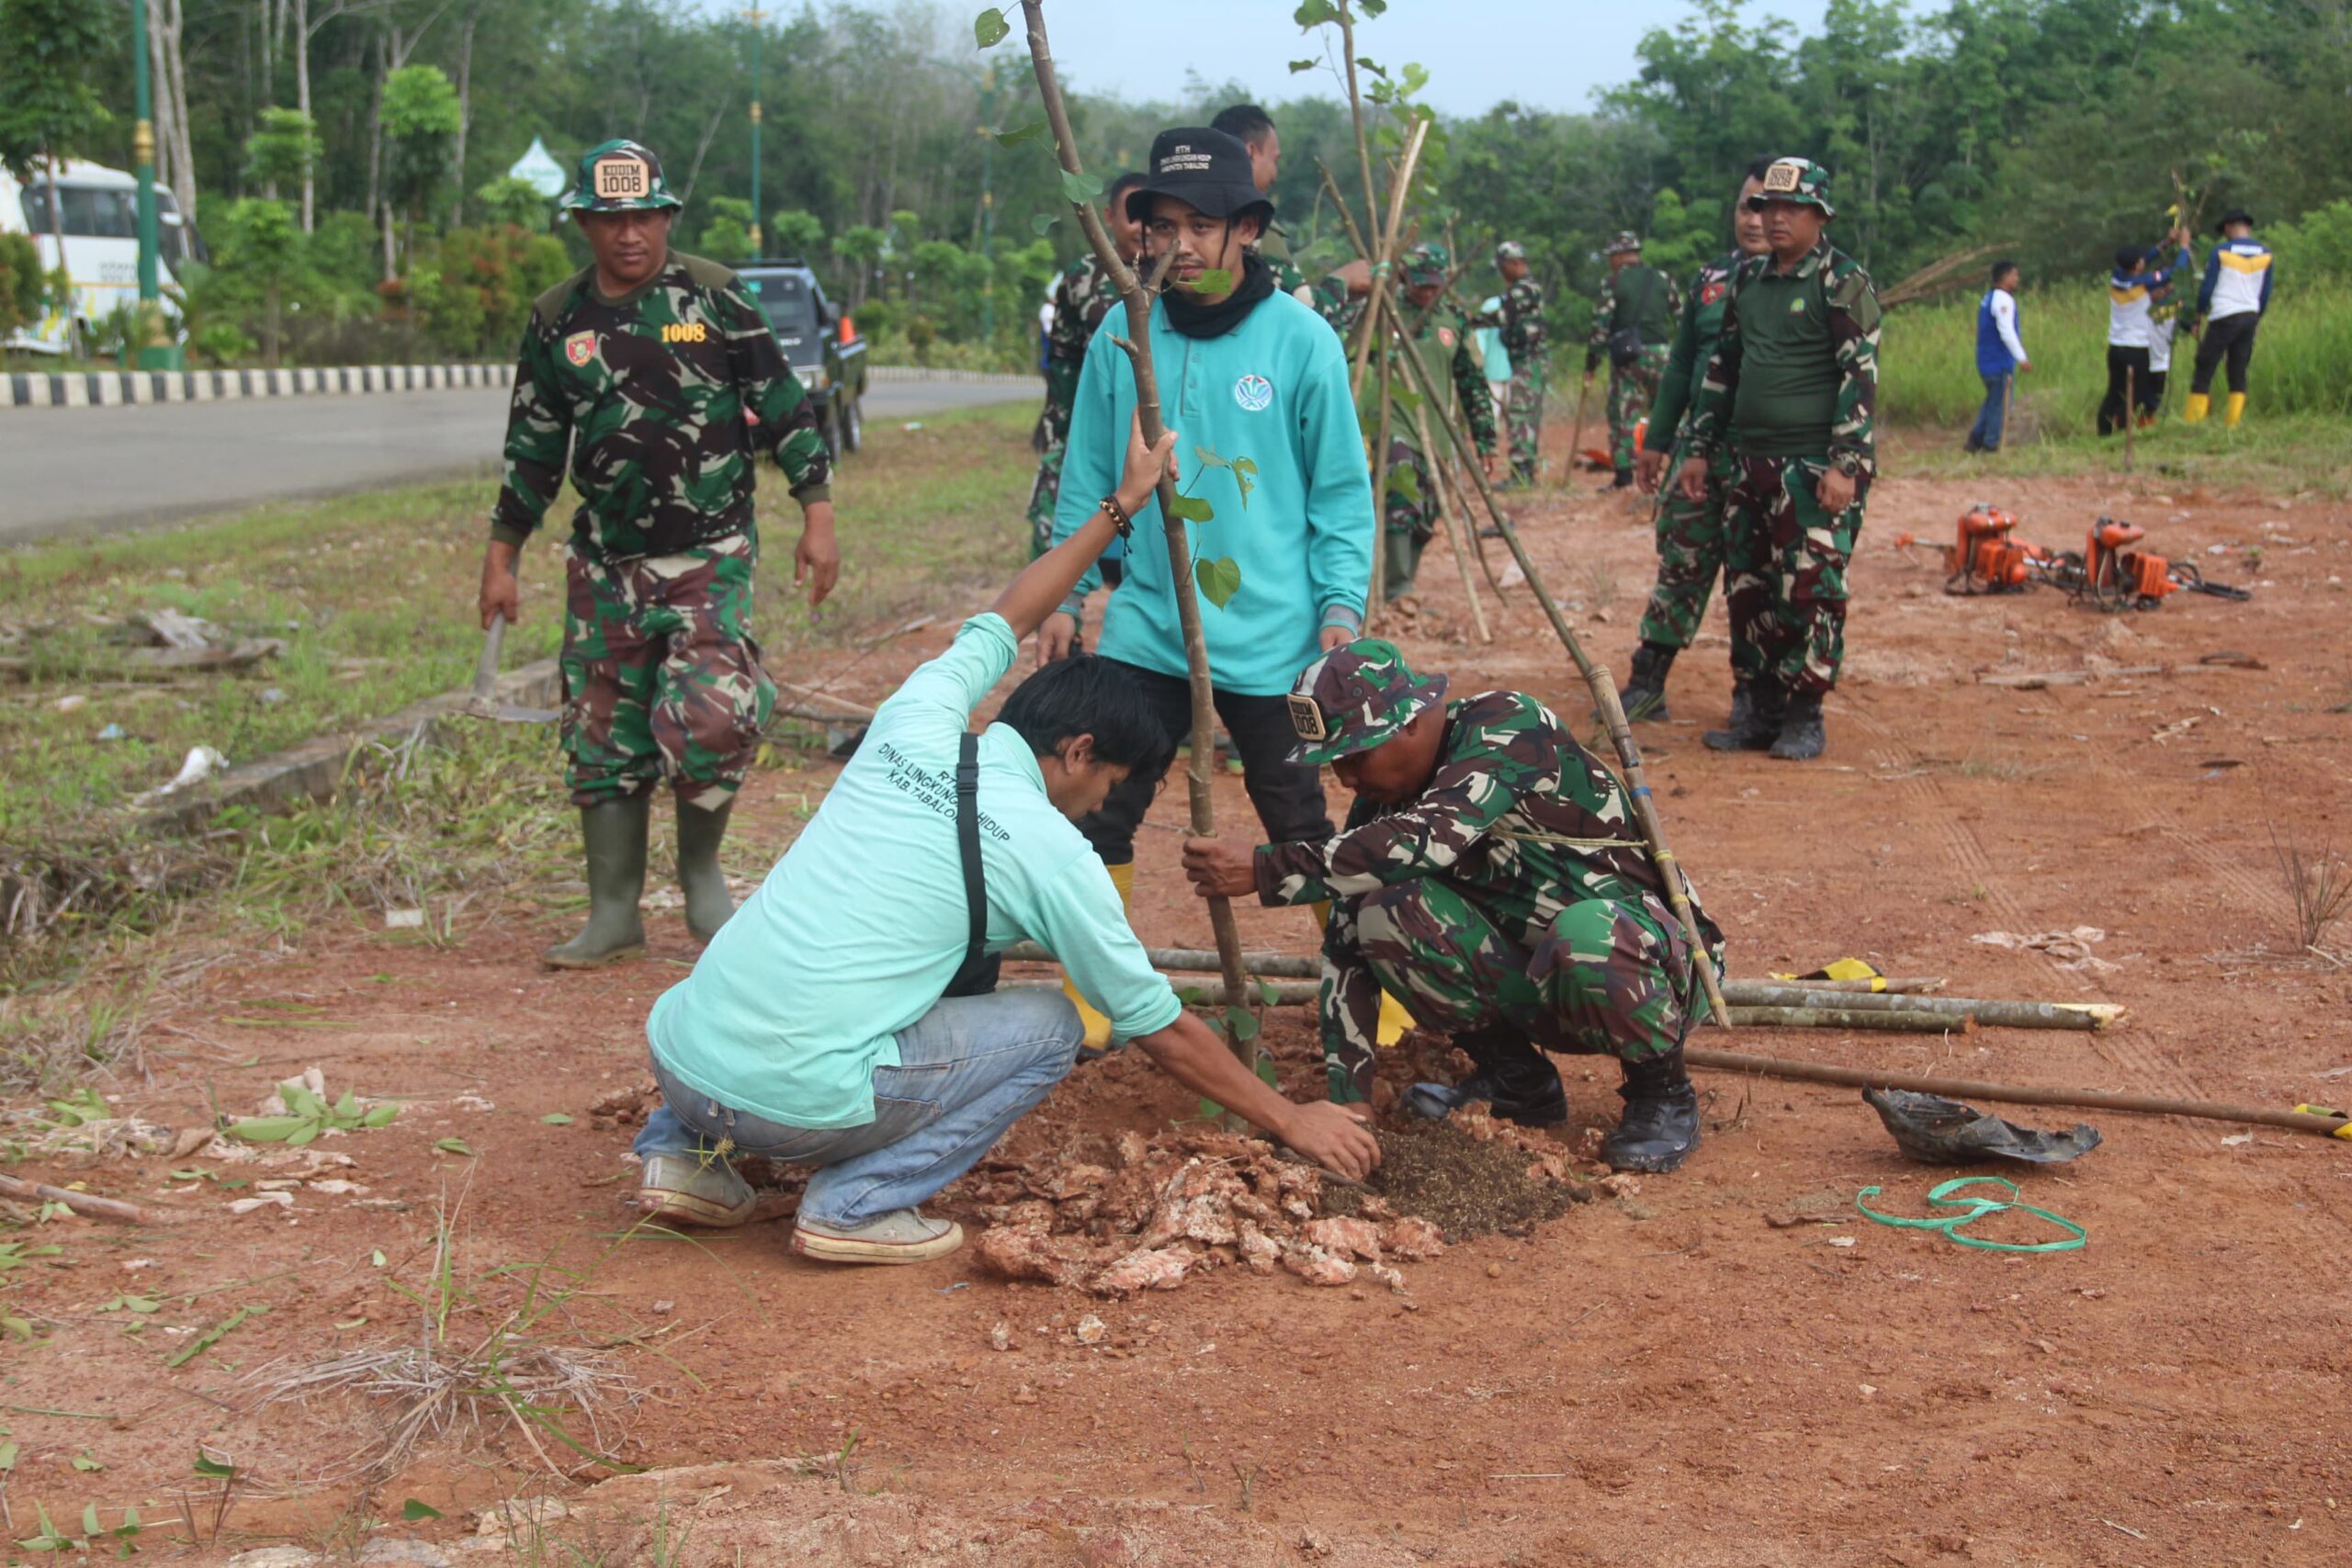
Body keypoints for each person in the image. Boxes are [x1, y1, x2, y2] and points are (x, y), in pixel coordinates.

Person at [633, 416, 1382, 1263]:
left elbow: (1008, 615)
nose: (1096, 808)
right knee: (1057, 1024)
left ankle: (681, 1154)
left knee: (805, 936)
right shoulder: (1051, 852)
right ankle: (855, 1202)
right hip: (796, 1106)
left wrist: (1119, 506)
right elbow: (1157, 1024)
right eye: (1106, 788)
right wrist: (1291, 1118)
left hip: (681, 1058)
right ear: (1079, 753)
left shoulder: (914, 716)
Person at [1040, 126, 1376, 1050]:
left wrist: (1340, 607)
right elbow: (1086, 474)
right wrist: (1070, 599)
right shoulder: (1123, 331)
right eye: (1161, 224)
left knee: (1300, 820)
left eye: (1203, 225)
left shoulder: (1300, 341)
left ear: (1249, 231)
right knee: (1096, 805)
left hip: (1277, 639)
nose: (1178, 245)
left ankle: (1370, 1010)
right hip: (1150, 625)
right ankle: (1088, 1010)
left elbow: (1341, 492)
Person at [480, 139, 839, 969]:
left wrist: (815, 512)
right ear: (583, 224)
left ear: (668, 217)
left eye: (644, 216)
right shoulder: (556, 317)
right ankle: (614, 913)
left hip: (709, 554)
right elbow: (532, 445)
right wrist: (503, 555)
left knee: (713, 713)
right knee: (602, 734)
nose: (629, 234)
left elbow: (783, 408)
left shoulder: (714, 296)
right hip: (603, 565)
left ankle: (703, 879)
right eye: (611, 220)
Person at [1179, 639, 1724, 1174]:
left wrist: (1266, 868)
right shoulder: (1384, 801)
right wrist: (1353, 1098)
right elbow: (1345, 943)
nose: (1345, 778)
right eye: (1334, 764)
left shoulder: (1507, 726)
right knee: (1386, 910)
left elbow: (1432, 836)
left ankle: (1663, 1092)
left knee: (1586, 931)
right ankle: (1518, 1082)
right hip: (1544, 980)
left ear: (1410, 723)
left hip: (1655, 971)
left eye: (1354, 756)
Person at [1676, 156, 1881, 763]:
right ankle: (1756, 707)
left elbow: (1860, 378)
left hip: (1815, 468)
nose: (1776, 218)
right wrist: (1699, 449)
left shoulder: (1844, 283)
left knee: (1810, 589)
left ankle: (1803, 712)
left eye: (1792, 208)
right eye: (1768, 206)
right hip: (1750, 463)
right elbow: (1723, 368)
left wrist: (1846, 463)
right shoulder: (1747, 281)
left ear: (1820, 215)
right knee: (1748, 588)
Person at [1619, 156, 1775, 724]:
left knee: (1756, 577)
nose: (1754, 220)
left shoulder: (1803, 284)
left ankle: (1752, 695)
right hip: (1701, 454)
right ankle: (1648, 679)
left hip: (1767, 455)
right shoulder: (1710, 281)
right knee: (1683, 559)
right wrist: (1658, 440)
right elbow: (1683, 362)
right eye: (1744, 207)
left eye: (1765, 207)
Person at [1026, 170, 1147, 562]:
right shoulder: (1081, 279)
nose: (1142, 227)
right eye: (1134, 215)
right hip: (1089, 423)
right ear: (1109, 217)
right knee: (1054, 529)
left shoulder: (1170, 278)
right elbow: (1062, 363)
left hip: (1146, 430)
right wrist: (1055, 434)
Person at [1375, 243, 1497, 604]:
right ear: (1403, 278)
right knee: (1401, 502)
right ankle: (1396, 589)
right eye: (1419, 283)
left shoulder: (1455, 320)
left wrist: (1485, 440)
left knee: (1428, 514)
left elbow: (1473, 384)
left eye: (1434, 284)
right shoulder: (1385, 313)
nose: (1427, 292)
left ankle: (1404, 586)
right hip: (1395, 424)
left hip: (1437, 434)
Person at [1210, 102, 1365, 325]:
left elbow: (1202, 284)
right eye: (1275, 160)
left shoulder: (1186, 216)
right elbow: (1304, 310)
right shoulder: (1254, 228)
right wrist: (1344, 282)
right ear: (1251, 152)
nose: (1275, 174)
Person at [1584, 231, 1680, 491]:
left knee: (1624, 413)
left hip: (1629, 355)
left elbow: (1600, 327)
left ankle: (1625, 474)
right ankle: (1679, 464)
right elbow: (1681, 315)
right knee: (1669, 409)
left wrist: (1591, 364)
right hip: (1662, 353)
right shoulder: (1663, 279)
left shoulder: (1613, 283)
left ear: (1619, 255)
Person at [2185, 209, 2272, 427]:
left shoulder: (2221, 251)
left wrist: (2198, 315)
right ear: (2248, 226)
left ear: (2227, 228)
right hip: (2250, 315)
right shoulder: (2266, 253)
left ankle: (2193, 421)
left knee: (2205, 364)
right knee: (2238, 368)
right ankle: (2232, 423)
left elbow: (2207, 288)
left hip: (2225, 315)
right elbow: (2265, 292)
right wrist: (2257, 318)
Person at [2098, 234, 2188, 436]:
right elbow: (2178, 271)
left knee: (2114, 392)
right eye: (2141, 261)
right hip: (2135, 348)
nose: (2143, 262)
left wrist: (2165, 243)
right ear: (2137, 265)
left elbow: (2143, 263)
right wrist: (2183, 247)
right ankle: (2122, 429)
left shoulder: (2117, 278)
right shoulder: (2143, 283)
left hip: (2115, 347)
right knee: (2136, 394)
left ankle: (2103, 432)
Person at [1492, 241, 1548, 487]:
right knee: (1525, 413)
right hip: (1527, 359)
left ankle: (1521, 472)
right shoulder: (1527, 288)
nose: (1501, 272)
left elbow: (1502, 317)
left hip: (1528, 359)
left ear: (1515, 264)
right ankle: (1524, 470)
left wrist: (1468, 321)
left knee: (1521, 413)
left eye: (1504, 266)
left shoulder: (1522, 291)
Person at [1964, 259, 2029, 454]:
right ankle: (1990, 443)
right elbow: (2007, 332)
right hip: (1998, 362)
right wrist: (2022, 358)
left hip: (1986, 360)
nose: (2017, 279)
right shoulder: (2003, 300)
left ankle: (1975, 440)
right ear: (2005, 276)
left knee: (1993, 400)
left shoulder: (1989, 298)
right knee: (2001, 404)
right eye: (2014, 275)